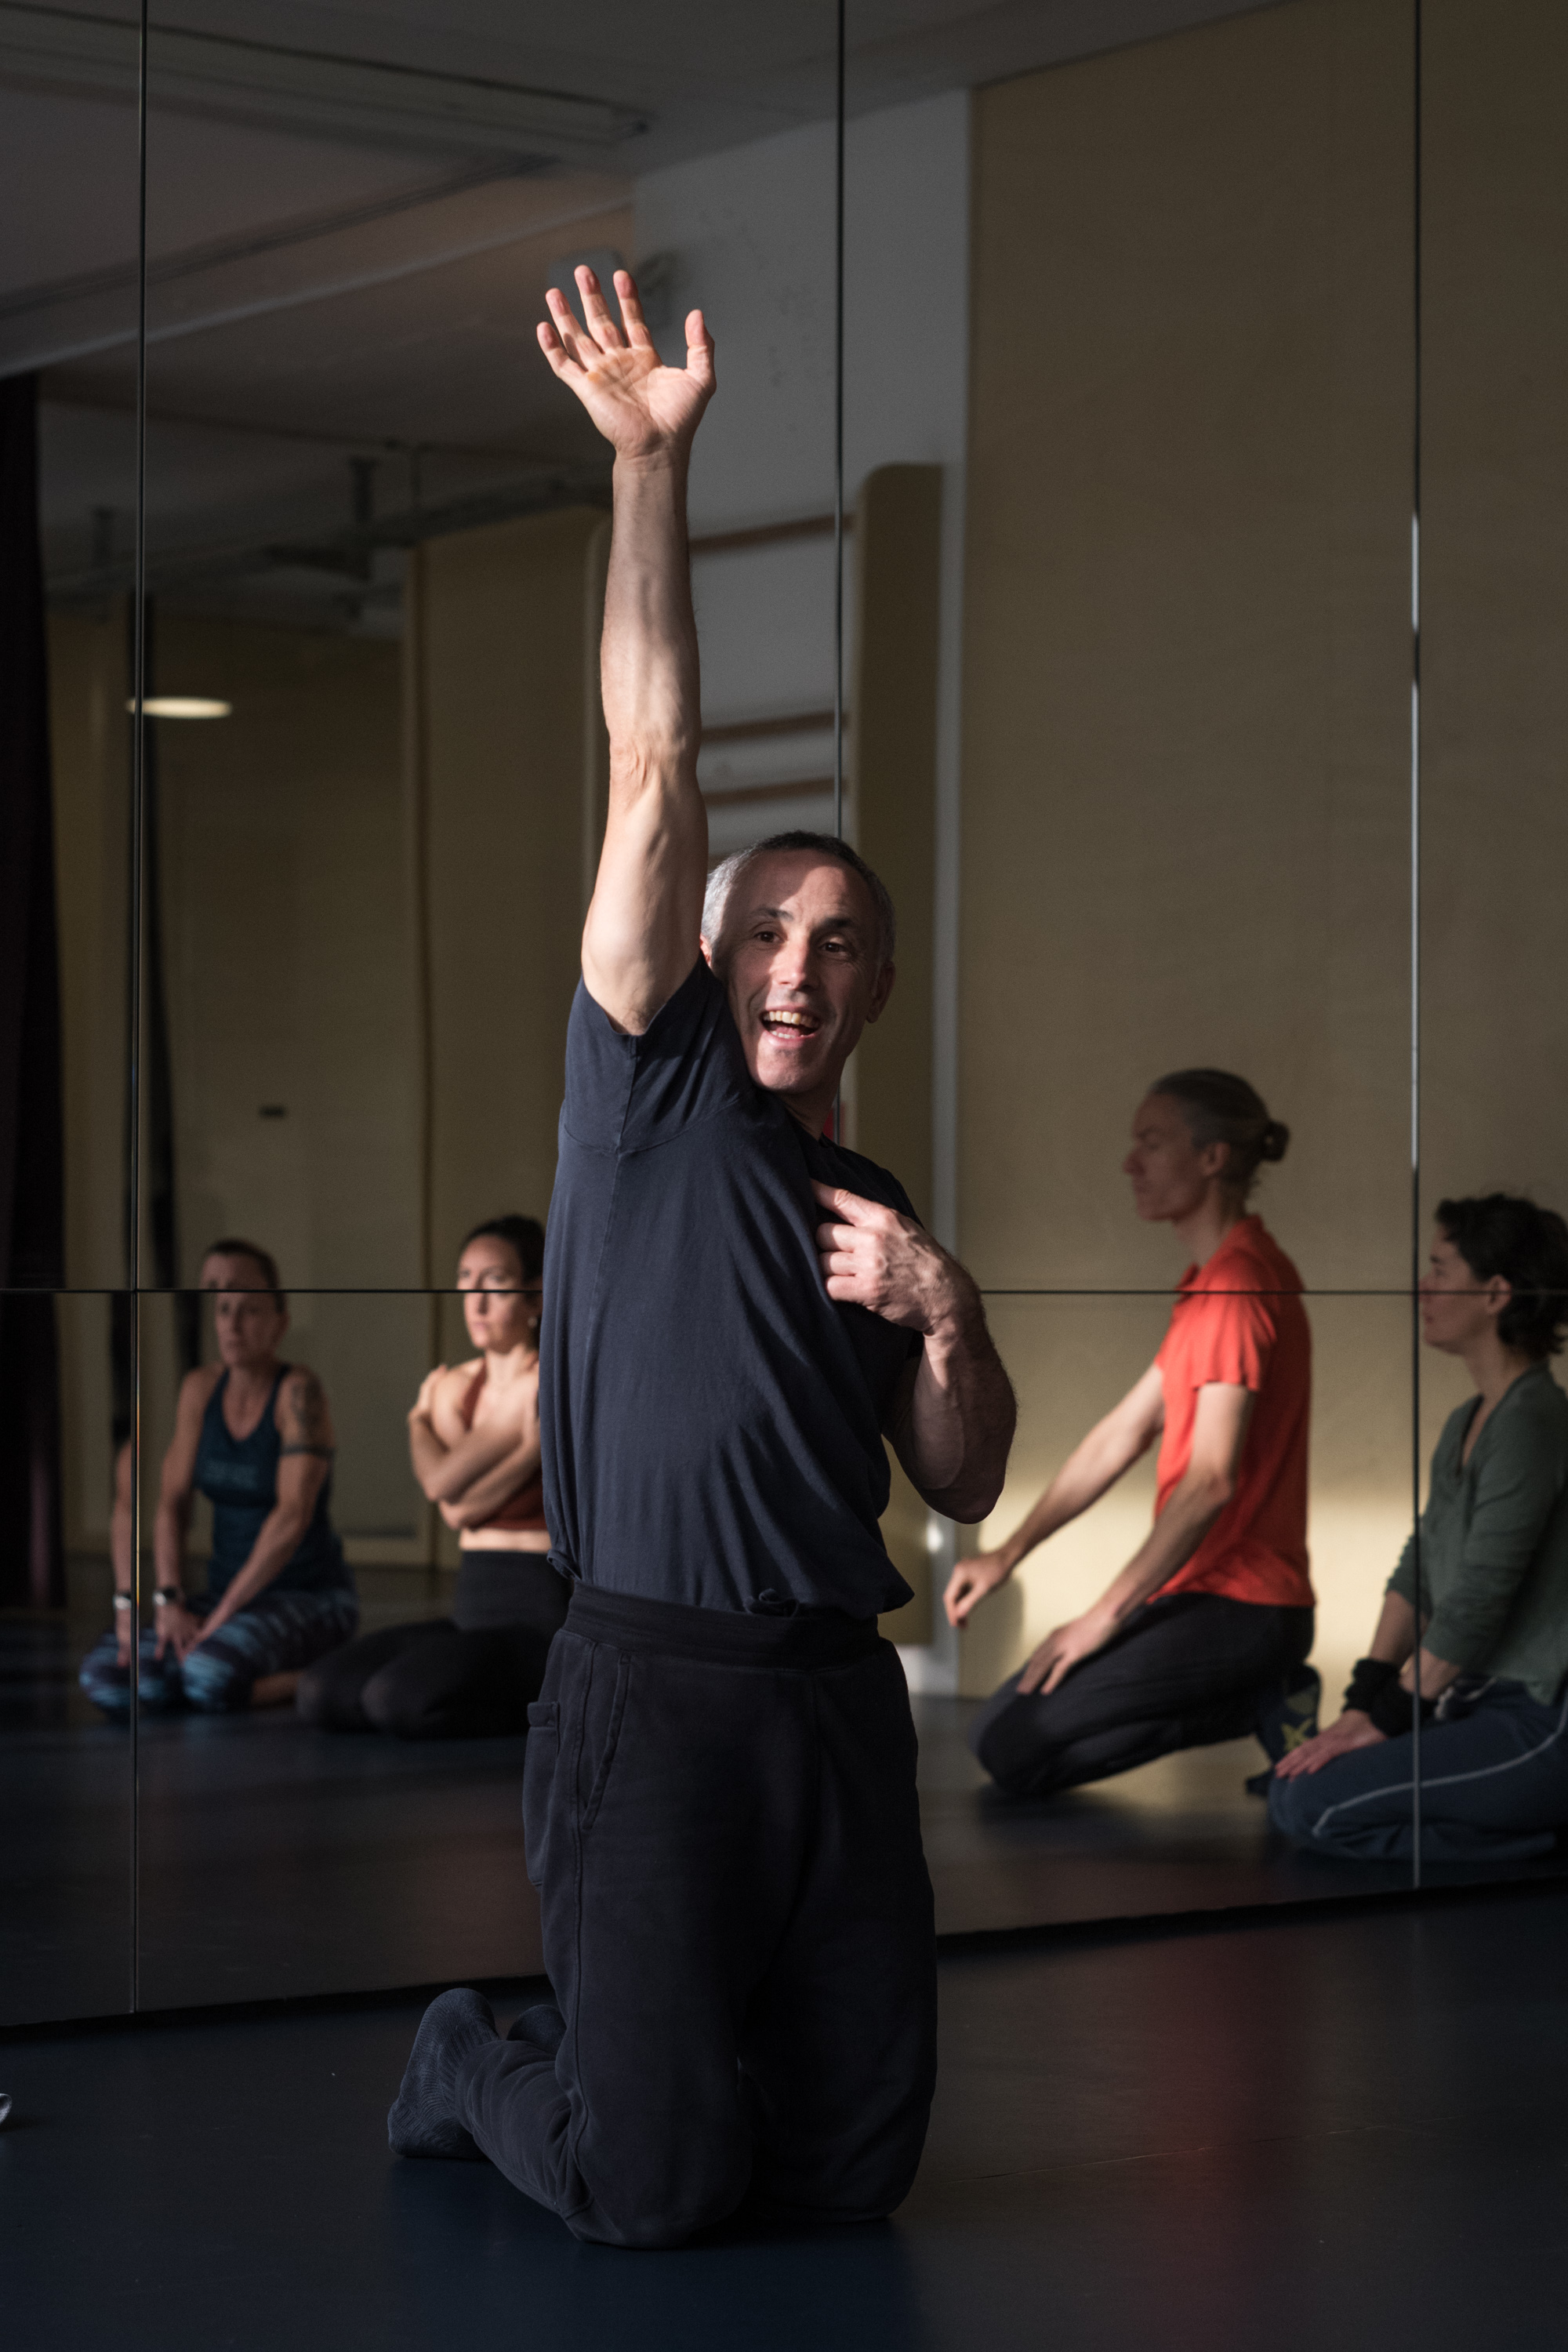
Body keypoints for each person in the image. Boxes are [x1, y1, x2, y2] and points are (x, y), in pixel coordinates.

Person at [386, 263, 1014, 2248]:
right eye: (763, 934)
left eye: (834, 946)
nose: (794, 968)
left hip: (830, 1702)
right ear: (705, 958)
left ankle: (678, 2050)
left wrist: (950, 1316)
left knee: (843, 2179)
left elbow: (964, 1476)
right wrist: (649, 472)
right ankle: (464, 2053)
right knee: (648, 2187)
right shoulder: (644, 1092)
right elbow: (652, 760)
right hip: (643, 1689)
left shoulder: (875, 1203)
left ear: (875, 986)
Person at [948, 1072, 1318, 1798]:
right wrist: (1006, 1555)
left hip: (1245, 1606)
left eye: (1151, 1142)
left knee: (1012, 1746)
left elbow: (1210, 1483)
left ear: (1212, 1158)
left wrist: (1098, 1621)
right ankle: (1260, 1694)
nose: (1130, 1163)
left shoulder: (1238, 1286)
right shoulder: (1215, 1280)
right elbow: (1120, 1434)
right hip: (1213, 1595)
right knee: (998, 1734)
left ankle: (1262, 1695)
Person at [1271, 1194, 1568, 1862]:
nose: (1421, 1288)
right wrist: (1362, 1700)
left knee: (1310, 1808)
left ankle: (1543, 1842)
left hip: (1539, 1722)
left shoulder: (1533, 1423)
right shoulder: (1470, 1420)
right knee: (1298, 1787)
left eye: (1439, 1269)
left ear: (1496, 1294)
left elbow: (1480, 1596)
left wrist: (1387, 1719)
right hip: (1469, 1702)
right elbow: (1421, 1567)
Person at [297, 1216, 568, 1739]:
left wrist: (420, 1424)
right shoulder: (454, 1388)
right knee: (322, 1691)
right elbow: (448, 1501)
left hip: (537, 1616)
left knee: (392, 1700)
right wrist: (423, 1422)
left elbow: (441, 1484)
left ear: (535, 1296)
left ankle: (546, 1702)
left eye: (495, 1280)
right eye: (467, 1279)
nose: (476, 1300)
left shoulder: (540, 1380)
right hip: (472, 1608)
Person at [79, 1240, 357, 1715]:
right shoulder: (200, 1388)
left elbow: (291, 1516)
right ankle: (208, 1666)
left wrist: (222, 1617)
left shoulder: (298, 1392)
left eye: (247, 1306)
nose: (230, 1321)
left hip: (305, 1596)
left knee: (208, 1676)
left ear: (280, 1321)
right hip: (225, 1593)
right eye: (219, 1302)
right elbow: (172, 1502)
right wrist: (169, 1602)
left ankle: (327, 1671)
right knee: (108, 1679)